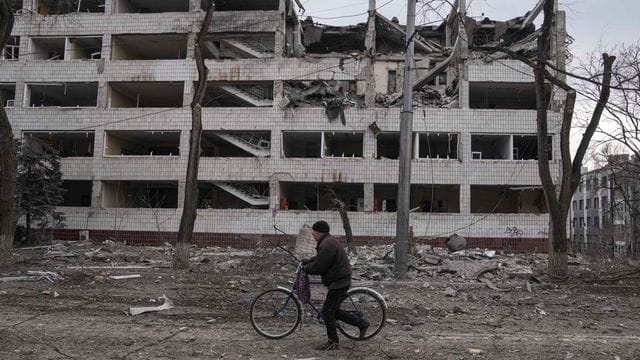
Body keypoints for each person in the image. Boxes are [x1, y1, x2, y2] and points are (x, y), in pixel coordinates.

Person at [302, 220, 369, 351]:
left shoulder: (327, 244)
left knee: (327, 311)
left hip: (339, 282)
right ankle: (361, 323)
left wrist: (307, 269)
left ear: (319, 232)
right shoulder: (328, 241)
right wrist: (308, 261)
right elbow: (321, 258)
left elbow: (320, 266)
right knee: (333, 310)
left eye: (313, 231)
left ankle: (333, 342)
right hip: (340, 279)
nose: (312, 234)